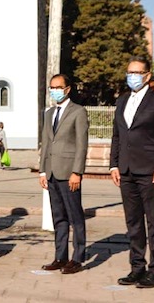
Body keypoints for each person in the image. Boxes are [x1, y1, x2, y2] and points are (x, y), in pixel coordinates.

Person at [110, 57, 154, 289]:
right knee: (133, 221)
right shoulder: (122, 100)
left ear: (147, 75)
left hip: (150, 171)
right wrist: (113, 164)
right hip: (126, 170)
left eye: (137, 72)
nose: (132, 76)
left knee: (153, 221)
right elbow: (117, 135)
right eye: (129, 72)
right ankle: (137, 267)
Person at [39, 74, 90, 275]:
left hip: (69, 172)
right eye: (52, 87)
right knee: (58, 217)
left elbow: (81, 144)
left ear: (68, 89)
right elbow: (45, 142)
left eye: (58, 87)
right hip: (52, 172)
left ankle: (77, 258)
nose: (54, 91)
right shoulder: (49, 113)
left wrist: (77, 172)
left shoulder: (78, 112)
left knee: (75, 216)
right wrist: (43, 170)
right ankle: (60, 256)